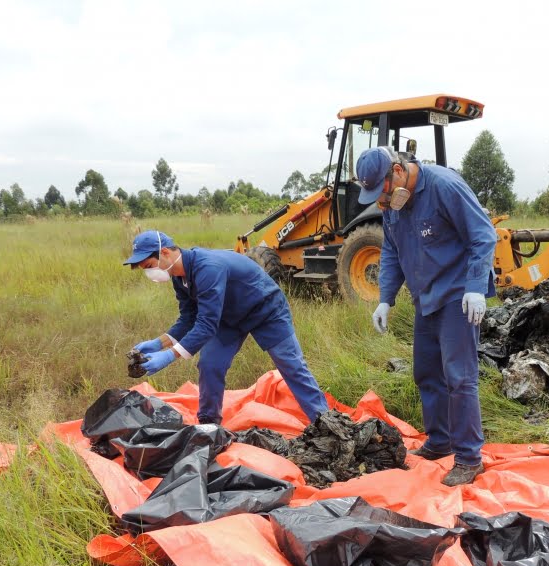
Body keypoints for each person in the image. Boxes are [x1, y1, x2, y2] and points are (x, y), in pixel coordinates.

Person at [356, 146, 496, 487]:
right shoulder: (394, 205)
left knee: (459, 377)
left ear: (398, 172)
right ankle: (440, 440)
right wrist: (385, 298)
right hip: (426, 298)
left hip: (457, 296)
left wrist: (476, 286)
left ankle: (468, 458)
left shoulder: (444, 186)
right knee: (426, 372)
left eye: (383, 191)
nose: (382, 201)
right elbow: (391, 248)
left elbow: (483, 235)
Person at [124, 230, 328, 426]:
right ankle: (209, 424)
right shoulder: (179, 277)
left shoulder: (207, 267)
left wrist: (168, 356)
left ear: (165, 252)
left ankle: (325, 421)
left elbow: (206, 324)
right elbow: (188, 318)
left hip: (265, 310)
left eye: (149, 265)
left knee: (291, 365)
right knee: (210, 365)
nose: (150, 273)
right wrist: (158, 344)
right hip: (228, 318)